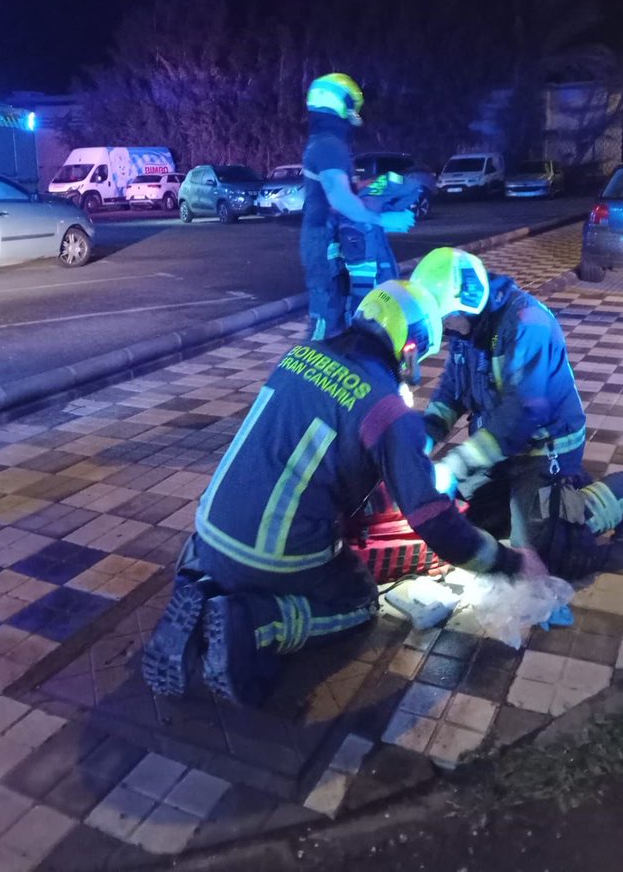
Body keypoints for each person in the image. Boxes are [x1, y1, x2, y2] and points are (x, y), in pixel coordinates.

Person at [142, 279, 547, 707]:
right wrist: (508, 562)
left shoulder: (299, 355)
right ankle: (257, 625)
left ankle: (203, 588)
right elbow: (434, 523)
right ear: (410, 349)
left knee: (268, 553)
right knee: (357, 598)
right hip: (274, 551)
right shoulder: (386, 407)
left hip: (207, 529)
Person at [411, 247, 623, 579]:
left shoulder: (527, 323)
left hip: (544, 447)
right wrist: (424, 437)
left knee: (543, 553)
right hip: (499, 446)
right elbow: (451, 391)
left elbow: (521, 415)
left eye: (445, 319)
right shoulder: (466, 328)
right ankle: (552, 497)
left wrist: (456, 463)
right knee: (465, 520)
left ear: (468, 302)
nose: (444, 329)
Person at [301, 72, 413, 340]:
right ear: (339, 103)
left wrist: (379, 185)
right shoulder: (329, 146)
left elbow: (345, 190)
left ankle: (334, 367)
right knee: (327, 321)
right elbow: (339, 199)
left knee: (340, 315)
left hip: (328, 242)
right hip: (324, 245)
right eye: (351, 106)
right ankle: (313, 371)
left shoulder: (326, 144)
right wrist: (386, 221)